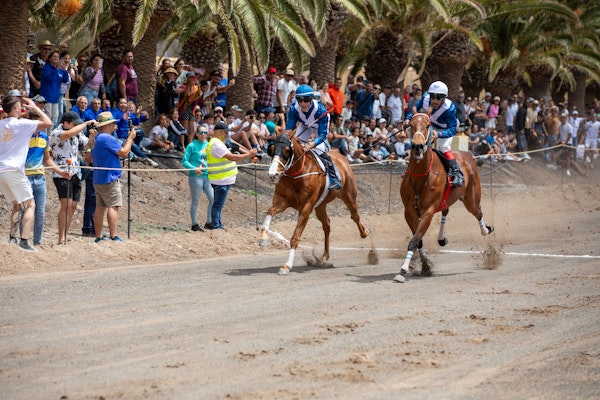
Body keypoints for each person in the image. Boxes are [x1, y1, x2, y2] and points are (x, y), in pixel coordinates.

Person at [0, 95, 53, 251]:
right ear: (17, 108)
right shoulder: (22, 124)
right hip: (14, 170)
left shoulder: (1, 124)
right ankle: (24, 240)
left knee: (18, 204)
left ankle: (12, 238)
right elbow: (48, 123)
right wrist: (35, 107)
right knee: (31, 204)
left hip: (1, 170)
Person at [50, 111, 96, 244]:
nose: (77, 126)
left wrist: (92, 136)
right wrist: (86, 123)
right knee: (66, 204)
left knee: (74, 205)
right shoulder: (56, 133)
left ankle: (65, 233)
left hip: (76, 172)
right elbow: (68, 134)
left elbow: (88, 146)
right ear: (66, 123)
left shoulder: (78, 134)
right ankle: (61, 237)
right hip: (61, 173)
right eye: (74, 123)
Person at [406, 80, 463, 187]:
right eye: (433, 97)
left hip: (446, 129)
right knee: (418, 142)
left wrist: (439, 135)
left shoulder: (450, 108)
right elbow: (413, 109)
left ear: (444, 98)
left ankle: (456, 172)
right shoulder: (425, 98)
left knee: (443, 147)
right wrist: (408, 119)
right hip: (430, 125)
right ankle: (409, 168)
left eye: (438, 98)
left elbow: (452, 129)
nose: (435, 101)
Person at [89, 112, 136, 242]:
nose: (115, 126)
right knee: (113, 206)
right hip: (109, 178)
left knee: (100, 207)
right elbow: (124, 153)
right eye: (113, 123)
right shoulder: (107, 138)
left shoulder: (97, 138)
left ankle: (98, 236)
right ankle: (113, 235)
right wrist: (130, 139)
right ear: (108, 124)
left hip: (98, 178)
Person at [286, 84, 341, 190]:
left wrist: (311, 144)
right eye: (299, 100)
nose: (302, 103)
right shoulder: (293, 109)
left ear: (311, 99)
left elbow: (322, 135)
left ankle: (334, 178)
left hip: (318, 131)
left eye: (306, 100)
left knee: (319, 151)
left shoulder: (321, 111)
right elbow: (290, 129)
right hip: (304, 127)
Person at [25, 110, 68, 246]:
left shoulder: (44, 137)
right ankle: (22, 240)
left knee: (40, 212)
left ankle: (37, 242)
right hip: (24, 177)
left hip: (40, 177)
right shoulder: (23, 136)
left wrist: (61, 172)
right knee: (24, 211)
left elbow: (47, 160)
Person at [205, 121, 256, 229]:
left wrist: (247, 152)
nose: (227, 134)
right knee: (218, 204)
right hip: (221, 179)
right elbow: (231, 157)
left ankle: (217, 223)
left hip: (221, 178)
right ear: (218, 132)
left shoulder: (217, 142)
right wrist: (248, 155)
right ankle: (215, 224)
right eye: (225, 132)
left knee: (218, 204)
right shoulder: (216, 144)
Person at [181, 126, 214, 231]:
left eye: (205, 132)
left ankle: (209, 222)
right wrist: (193, 168)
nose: (203, 134)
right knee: (196, 200)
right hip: (195, 177)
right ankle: (194, 224)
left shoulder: (209, 145)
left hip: (207, 176)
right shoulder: (191, 145)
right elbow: (184, 161)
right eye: (201, 132)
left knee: (212, 198)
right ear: (197, 133)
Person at [40, 50, 70, 127]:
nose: (56, 58)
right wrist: (56, 69)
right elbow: (49, 78)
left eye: (58, 57)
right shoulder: (46, 68)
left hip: (56, 97)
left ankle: (50, 135)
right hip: (47, 96)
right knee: (48, 116)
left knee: (54, 117)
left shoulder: (60, 69)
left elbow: (66, 80)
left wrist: (64, 70)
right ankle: (45, 134)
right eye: (54, 56)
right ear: (50, 58)